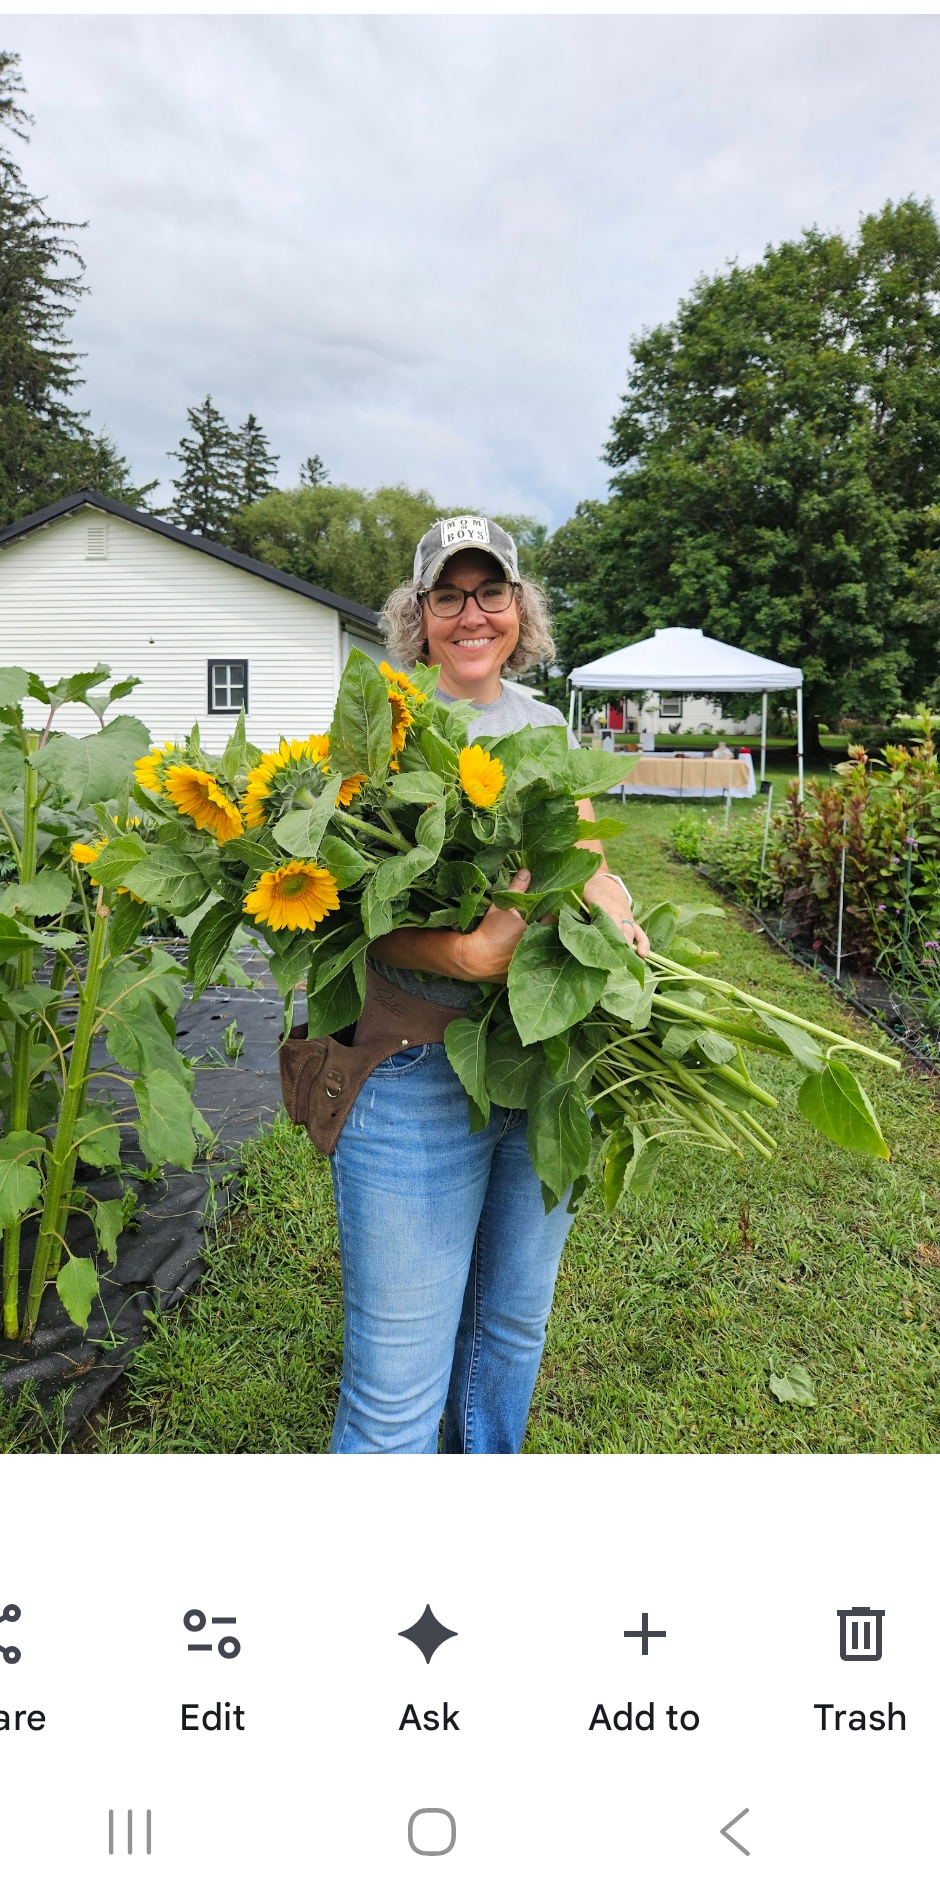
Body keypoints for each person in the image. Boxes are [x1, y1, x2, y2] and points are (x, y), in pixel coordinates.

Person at [327, 514, 650, 1456]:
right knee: (395, 1391)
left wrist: (613, 905)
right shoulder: (382, 728)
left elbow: (583, 856)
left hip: (542, 1058)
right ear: (418, 616)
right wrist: (464, 958)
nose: (473, 614)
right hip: (413, 1065)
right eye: (449, 596)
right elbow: (344, 908)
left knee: (508, 1334)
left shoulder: (544, 726)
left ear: (519, 606)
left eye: (491, 592)